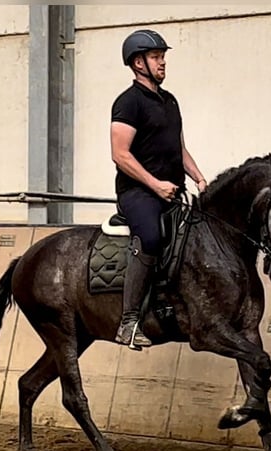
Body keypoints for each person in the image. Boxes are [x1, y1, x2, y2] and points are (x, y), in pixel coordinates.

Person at [110, 29, 207, 350]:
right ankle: (128, 322)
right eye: (156, 57)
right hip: (138, 193)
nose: (162, 62)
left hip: (171, 190)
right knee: (151, 237)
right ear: (138, 63)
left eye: (163, 57)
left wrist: (199, 179)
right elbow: (120, 154)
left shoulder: (169, 101)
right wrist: (154, 184)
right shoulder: (128, 102)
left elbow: (178, 149)